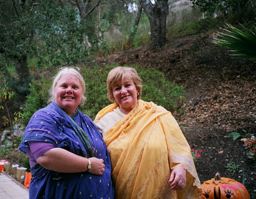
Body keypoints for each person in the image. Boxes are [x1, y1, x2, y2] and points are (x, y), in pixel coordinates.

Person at [94, 66, 202, 199]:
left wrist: (180, 167)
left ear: (137, 88)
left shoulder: (158, 114)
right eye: (117, 88)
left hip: (162, 192)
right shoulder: (103, 122)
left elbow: (179, 146)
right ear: (112, 94)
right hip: (124, 192)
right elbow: (94, 154)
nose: (123, 91)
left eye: (127, 85)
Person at [19, 67, 114, 199]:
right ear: (54, 90)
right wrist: (88, 165)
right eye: (64, 86)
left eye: (75, 87)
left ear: (82, 93)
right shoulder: (43, 117)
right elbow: (45, 156)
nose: (69, 90)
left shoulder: (86, 121)